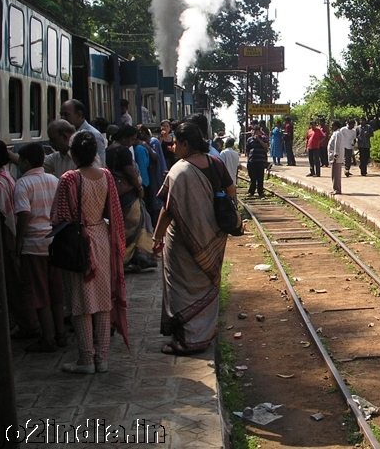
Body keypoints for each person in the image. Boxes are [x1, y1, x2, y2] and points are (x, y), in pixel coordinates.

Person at [152, 122, 233, 355]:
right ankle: (204, 336)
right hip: (214, 239)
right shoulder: (215, 162)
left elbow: (168, 209)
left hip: (183, 243)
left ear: (186, 145)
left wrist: (157, 237)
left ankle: (185, 341)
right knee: (208, 285)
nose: (173, 146)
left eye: (176, 142)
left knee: (181, 289)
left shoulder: (180, 170)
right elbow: (231, 192)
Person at [51, 131, 128, 374]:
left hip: (79, 244)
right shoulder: (105, 175)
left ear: (73, 154)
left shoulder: (68, 179)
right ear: (95, 152)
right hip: (101, 239)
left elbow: (60, 217)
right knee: (103, 300)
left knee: (80, 301)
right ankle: (102, 358)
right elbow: (114, 212)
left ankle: (85, 359)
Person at [14, 143, 63, 353]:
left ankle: (48, 338)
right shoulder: (54, 180)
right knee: (56, 291)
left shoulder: (23, 184)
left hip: (34, 246)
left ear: (25, 162)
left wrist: (19, 243)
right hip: (54, 242)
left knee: (40, 293)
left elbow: (24, 214)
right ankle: (61, 334)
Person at [0, 141, 39, 339]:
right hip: (23, 238)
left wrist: (18, 241)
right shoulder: (7, 176)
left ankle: (28, 324)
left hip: (11, 238)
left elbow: (13, 215)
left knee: (17, 284)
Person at [106, 125, 155, 270]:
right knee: (136, 223)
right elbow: (130, 172)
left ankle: (124, 258)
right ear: (124, 137)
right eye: (132, 139)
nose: (133, 143)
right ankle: (128, 258)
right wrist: (139, 188)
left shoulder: (108, 150)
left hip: (116, 194)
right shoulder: (123, 151)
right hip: (128, 195)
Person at [60, 99, 106, 165]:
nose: (62, 118)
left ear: (79, 114)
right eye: (61, 115)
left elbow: (101, 164)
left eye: (66, 115)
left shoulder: (94, 135)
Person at [246, 125, 269, 197]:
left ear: (259, 132)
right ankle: (251, 191)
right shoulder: (250, 140)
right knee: (252, 178)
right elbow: (247, 151)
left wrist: (259, 140)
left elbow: (266, 147)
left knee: (260, 177)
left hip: (260, 161)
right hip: (252, 161)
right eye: (254, 131)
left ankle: (260, 191)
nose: (255, 133)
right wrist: (248, 160)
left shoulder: (264, 138)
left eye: (257, 131)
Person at [328, 119, 344, 195]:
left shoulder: (338, 133)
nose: (331, 127)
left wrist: (335, 155)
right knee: (334, 174)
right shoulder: (336, 133)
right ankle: (335, 188)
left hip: (336, 158)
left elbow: (337, 145)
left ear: (336, 126)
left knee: (336, 174)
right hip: (334, 157)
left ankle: (337, 189)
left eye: (332, 125)